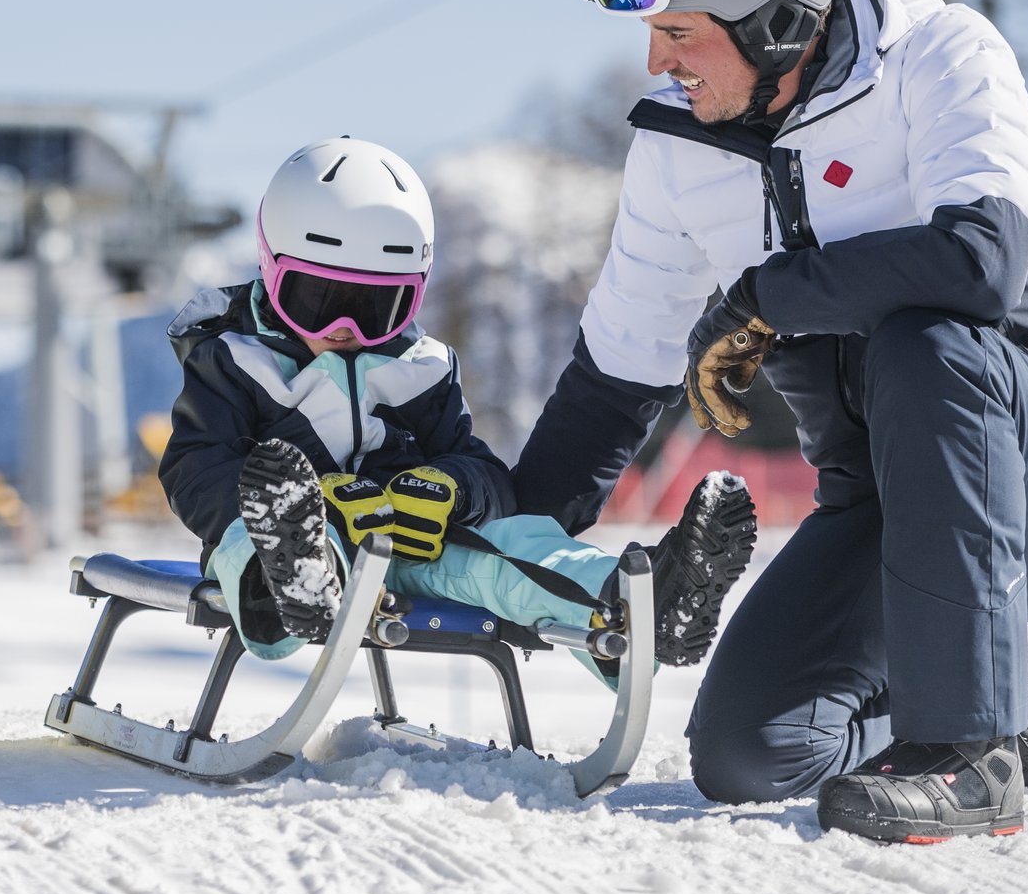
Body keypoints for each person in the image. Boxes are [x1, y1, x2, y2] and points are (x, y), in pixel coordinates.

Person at [517, 0, 1028, 843]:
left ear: (779, 26)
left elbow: (981, 263)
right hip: (886, 503)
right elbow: (615, 375)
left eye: (678, 34)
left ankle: (972, 753)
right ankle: (1007, 709)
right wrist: (497, 547)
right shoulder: (679, 138)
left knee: (931, 345)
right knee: (752, 754)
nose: (658, 64)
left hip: (1012, 461)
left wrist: (766, 297)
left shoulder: (941, 56)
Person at [159, 137, 756, 678]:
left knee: (513, 547)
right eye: (317, 300)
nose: (345, 329)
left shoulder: (422, 367)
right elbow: (196, 467)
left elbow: (483, 472)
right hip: (284, 542)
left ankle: (640, 606)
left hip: (413, 549)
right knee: (248, 538)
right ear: (270, 269)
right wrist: (310, 509)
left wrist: (451, 488)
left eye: (376, 310)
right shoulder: (234, 362)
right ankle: (298, 569)